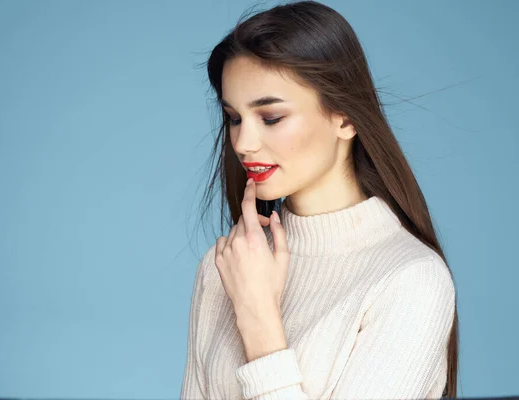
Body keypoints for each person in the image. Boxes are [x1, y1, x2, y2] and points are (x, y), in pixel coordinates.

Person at [180, 1, 459, 399]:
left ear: (345, 117)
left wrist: (258, 318)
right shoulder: (227, 266)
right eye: (234, 118)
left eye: (271, 118)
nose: (243, 143)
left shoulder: (411, 280)